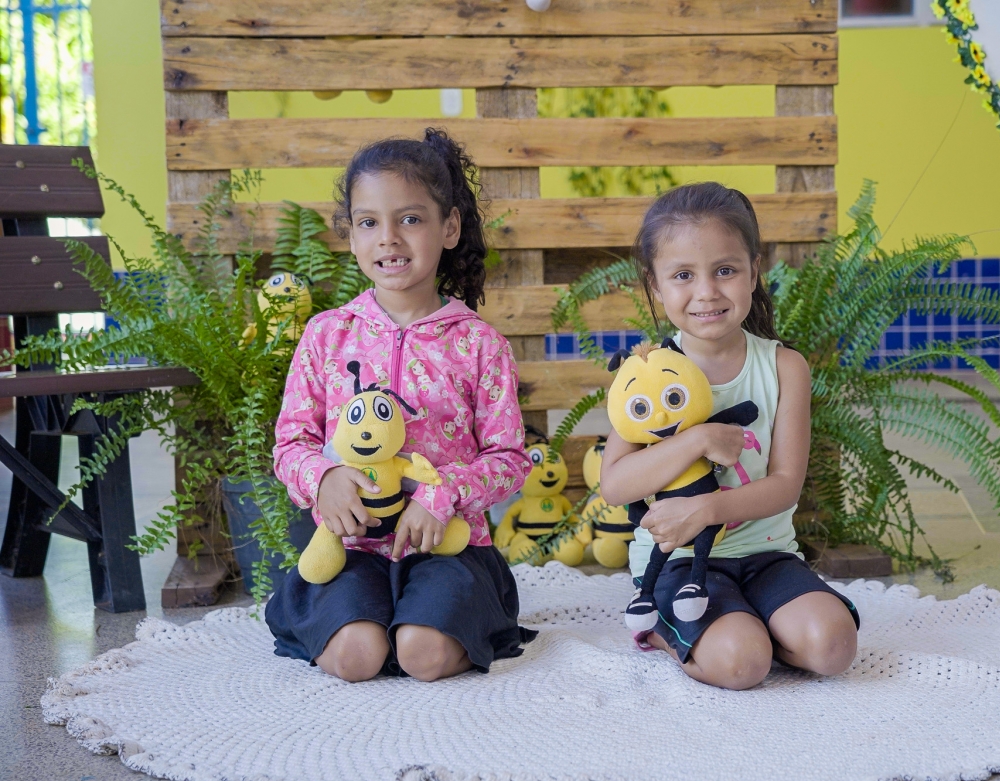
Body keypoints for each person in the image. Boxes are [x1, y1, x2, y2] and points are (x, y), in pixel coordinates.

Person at [266, 130, 535, 682]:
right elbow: (291, 443)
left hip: (448, 547)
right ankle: (371, 621)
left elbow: (509, 459)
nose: (388, 238)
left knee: (423, 655)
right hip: (351, 547)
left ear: (449, 227)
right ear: (351, 236)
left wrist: (443, 494)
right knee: (354, 658)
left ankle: (421, 622)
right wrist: (322, 479)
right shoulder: (326, 335)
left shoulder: (480, 344)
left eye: (410, 219)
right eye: (368, 222)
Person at [600, 182, 861, 690]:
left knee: (833, 648)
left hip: (768, 554)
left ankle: (751, 619)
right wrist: (697, 441)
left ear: (754, 272)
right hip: (679, 561)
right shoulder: (647, 374)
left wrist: (706, 510)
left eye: (725, 270)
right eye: (683, 275)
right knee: (743, 665)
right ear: (655, 285)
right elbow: (614, 485)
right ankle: (666, 629)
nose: (707, 292)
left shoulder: (784, 367)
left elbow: (785, 484)